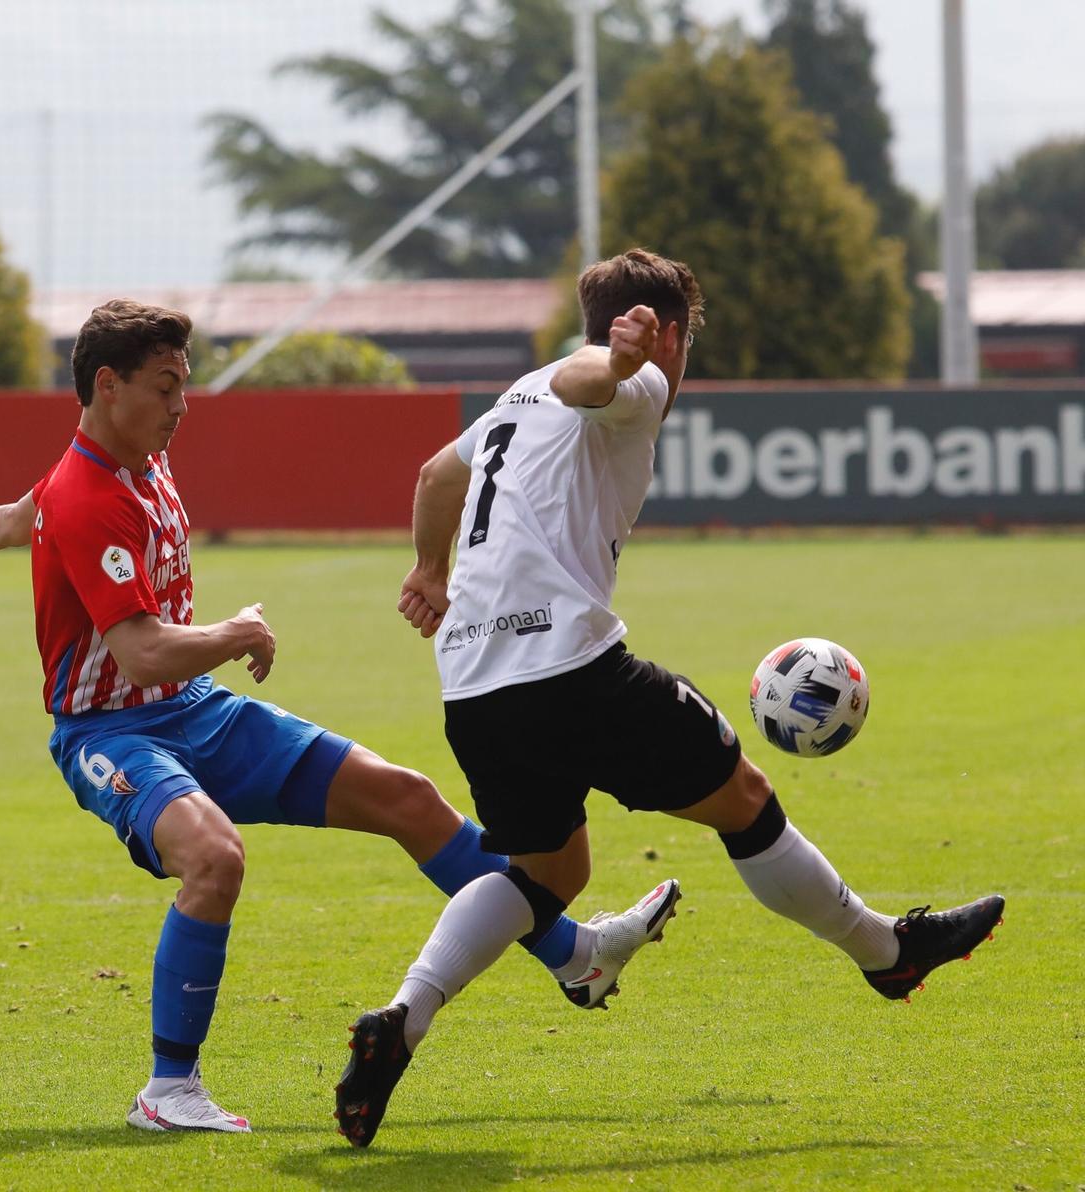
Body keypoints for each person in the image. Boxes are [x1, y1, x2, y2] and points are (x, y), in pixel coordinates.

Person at [0, 299, 673, 1134]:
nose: (181, 405)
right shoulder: (93, 493)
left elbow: (22, 516)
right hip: (110, 732)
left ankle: (575, 957)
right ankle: (168, 1091)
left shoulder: (129, 457)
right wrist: (232, 632)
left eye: (185, 385)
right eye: (166, 386)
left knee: (407, 798)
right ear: (107, 384)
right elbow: (139, 654)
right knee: (213, 858)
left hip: (193, 711)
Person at [333, 248, 1007, 1147]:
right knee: (746, 800)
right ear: (674, 333)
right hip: (570, 668)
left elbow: (433, 478)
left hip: (473, 686)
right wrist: (620, 363)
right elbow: (588, 382)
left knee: (548, 875)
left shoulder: (512, 398)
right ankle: (888, 953)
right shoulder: (636, 379)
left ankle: (403, 1018)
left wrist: (428, 566)